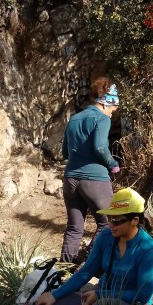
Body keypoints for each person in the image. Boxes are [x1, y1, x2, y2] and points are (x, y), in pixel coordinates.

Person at [35, 187, 153, 305]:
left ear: (134, 220)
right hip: (100, 301)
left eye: (117, 220)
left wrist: (100, 294)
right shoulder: (107, 237)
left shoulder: (148, 250)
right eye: (109, 218)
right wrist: (55, 295)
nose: (111, 224)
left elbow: (143, 296)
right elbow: (86, 272)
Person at [60, 76, 121, 263]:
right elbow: (100, 147)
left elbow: (64, 151)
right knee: (108, 224)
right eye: (112, 109)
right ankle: (83, 259)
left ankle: (63, 273)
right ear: (105, 104)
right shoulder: (101, 119)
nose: (112, 114)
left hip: (70, 179)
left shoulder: (74, 119)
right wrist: (113, 165)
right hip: (94, 180)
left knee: (74, 228)